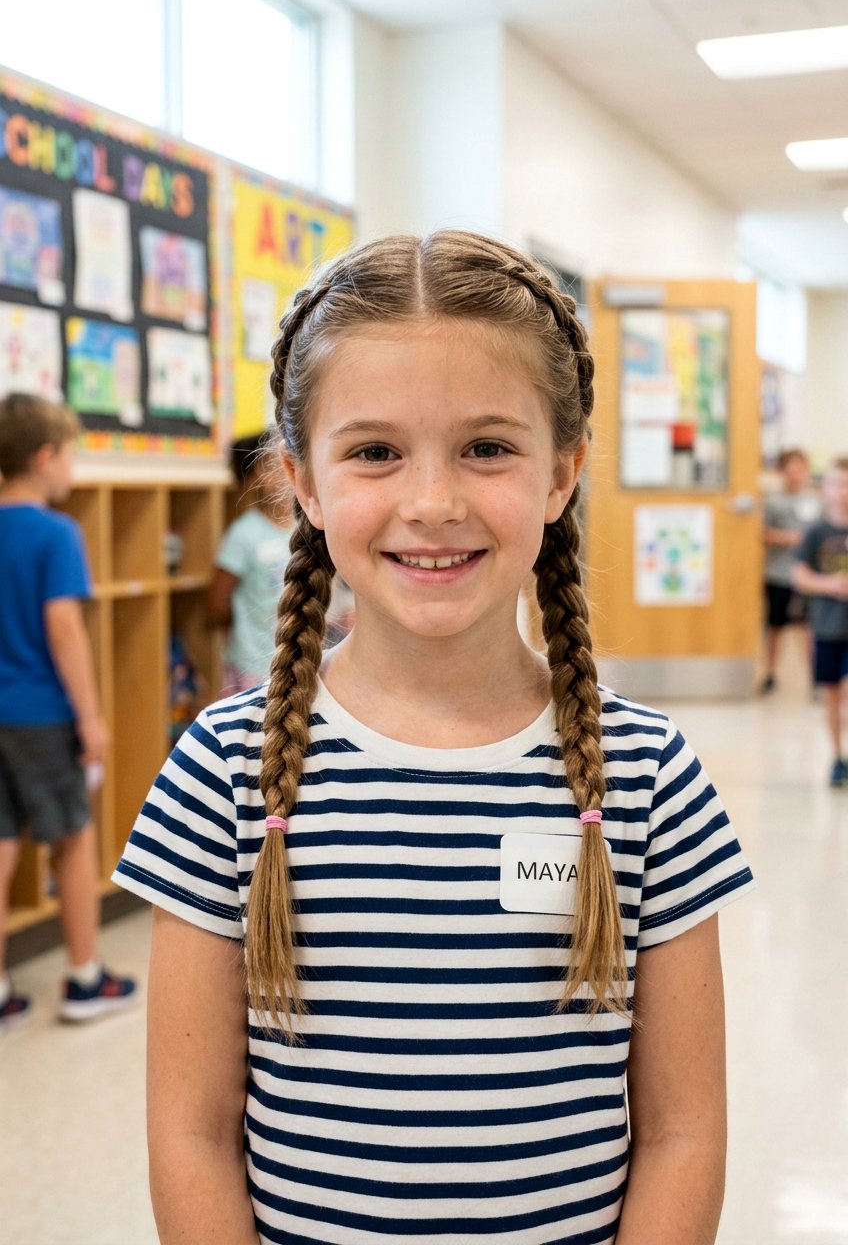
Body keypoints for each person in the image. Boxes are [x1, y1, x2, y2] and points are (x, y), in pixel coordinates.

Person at [114, 232, 754, 1245]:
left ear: (563, 473)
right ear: (302, 482)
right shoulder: (222, 770)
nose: (432, 504)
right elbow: (190, 1136)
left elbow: (684, 1133)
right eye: (375, 451)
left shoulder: (647, 776)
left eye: (486, 448)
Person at [0, 392, 135, 1027]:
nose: (72, 469)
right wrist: (90, 717)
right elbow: (63, 628)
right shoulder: (57, 533)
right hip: (43, 714)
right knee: (73, 841)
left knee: (1, 844)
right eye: (70, 455)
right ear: (44, 457)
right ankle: (84, 977)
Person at [206, 431, 295, 695]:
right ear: (256, 477)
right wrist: (244, 632)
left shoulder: (307, 529)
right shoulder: (244, 534)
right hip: (254, 667)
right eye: (273, 466)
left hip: (300, 662)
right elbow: (216, 603)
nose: (285, 472)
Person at [792, 456, 848, 787]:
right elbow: (800, 577)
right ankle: (838, 757)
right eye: (837, 484)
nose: (843, 492)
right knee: (832, 695)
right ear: (825, 489)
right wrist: (832, 585)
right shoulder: (816, 532)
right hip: (828, 627)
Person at [761, 448, 820, 693]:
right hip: (778, 573)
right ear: (783, 471)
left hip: (808, 577)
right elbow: (762, 533)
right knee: (776, 626)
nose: (796, 473)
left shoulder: (816, 501)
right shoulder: (773, 502)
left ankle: (815, 679)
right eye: (791, 468)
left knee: (808, 629)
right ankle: (770, 674)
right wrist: (788, 538)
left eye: (801, 468)